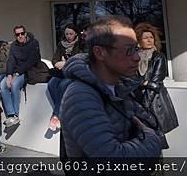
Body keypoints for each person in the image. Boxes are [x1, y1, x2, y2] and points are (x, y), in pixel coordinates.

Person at [60, 16, 162, 158]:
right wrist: (151, 140)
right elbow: (112, 159)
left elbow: (150, 123)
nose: (137, 57)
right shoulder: (80, 96)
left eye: (136, 49)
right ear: (100, 52)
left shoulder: (121, 87)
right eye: (129, 50)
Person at [133, 22, 179, 146]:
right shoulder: (134, 57)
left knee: (155, 137)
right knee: (139, 138)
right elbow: (130, 78)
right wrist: (143, 82)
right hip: (137, 100)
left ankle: (158, 164)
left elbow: (155, 82)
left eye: (151, 37)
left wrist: (145, 105)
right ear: (138, 41)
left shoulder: (158, 56)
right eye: (145, 38)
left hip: (154, 101)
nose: (149, 40)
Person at [1, 25, 41, 127]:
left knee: (14, 85)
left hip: (28, 71)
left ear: (25, 33)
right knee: (3, 85)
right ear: (15, 35)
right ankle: (11, 114)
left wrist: (17, 74)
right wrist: (9, 74)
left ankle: (16, 115)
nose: (20, 36)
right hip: (15, 72)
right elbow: (11, 60)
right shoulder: (14, 45)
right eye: (17, 34)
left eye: (22, 33)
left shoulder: (34, 43)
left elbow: (31, 61)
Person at [47, 24, 85, 131]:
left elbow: (80, 59)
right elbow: (54, 60)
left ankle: (56, 115)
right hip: (62, 73)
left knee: (63, 85)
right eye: (67, 34)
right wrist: (61, 63)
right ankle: (62, 112)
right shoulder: (61, 45)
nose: (69, 36)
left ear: (76, 34)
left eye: (71, 34)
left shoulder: (81, 44)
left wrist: (65, 62)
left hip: (75, 73)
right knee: (51, 84)